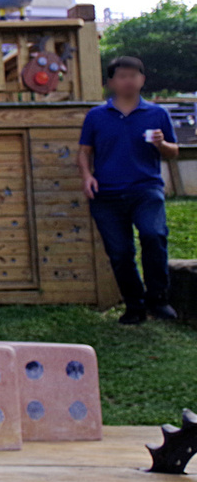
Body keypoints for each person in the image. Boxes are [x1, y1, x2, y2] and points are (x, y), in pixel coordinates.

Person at [78, 55, 180, 324]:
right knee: (120, 253)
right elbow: (84, 151)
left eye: (133, 75)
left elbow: (174, 152)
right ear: (111, 82)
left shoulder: (158, 114)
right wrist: (87, 176)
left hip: (145, 189)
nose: (128, 81)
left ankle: (158, 299)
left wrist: (161, 144)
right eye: (122, 76)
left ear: (142, 80)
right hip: (106, 195)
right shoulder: (97, 116)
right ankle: (134, 305)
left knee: (153, 235)